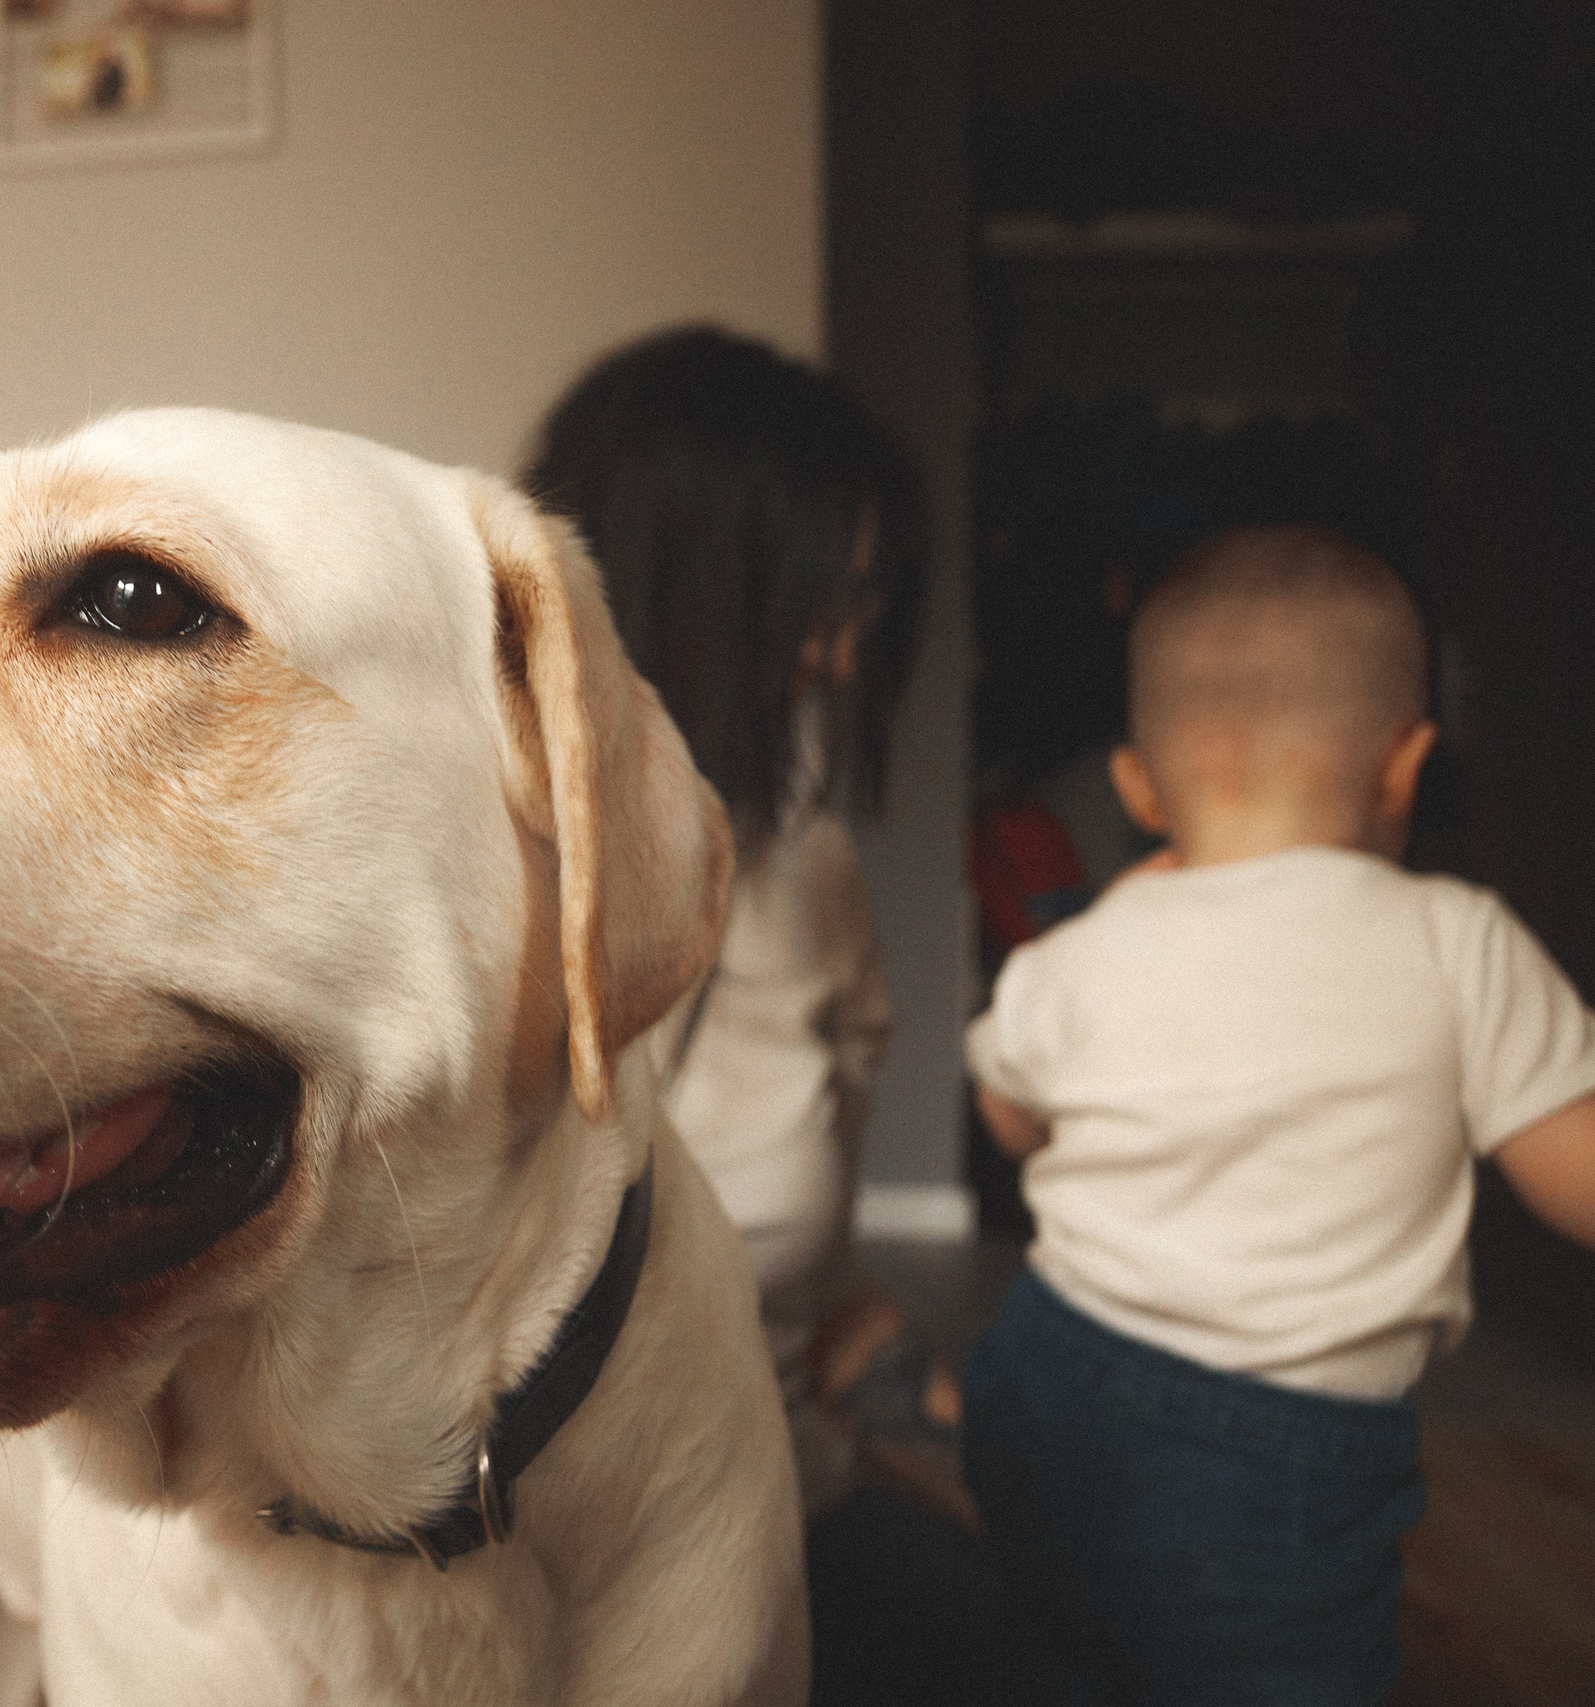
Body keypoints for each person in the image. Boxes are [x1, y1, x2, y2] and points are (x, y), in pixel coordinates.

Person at [964, 525, 1595, 1704]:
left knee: (1052, 1648)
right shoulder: (1456, 941)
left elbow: (1007, 1116)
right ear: (1405, 768)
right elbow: (1576, 1166)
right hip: (1269, 1456)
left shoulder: (1084, 949)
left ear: (1137, 787)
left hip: (1045, 1371)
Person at [525, 326, 946, 1526]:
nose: (843, 658)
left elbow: (825, 1279)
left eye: (862, 604)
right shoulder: (451, 889)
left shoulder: (810, 873)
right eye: (813, 607)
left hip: (774, 1495)